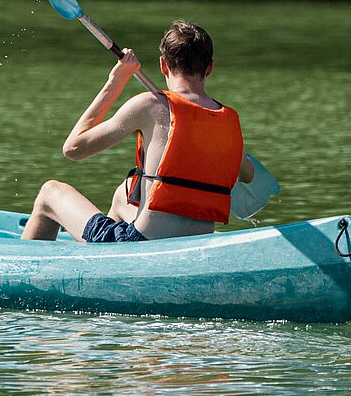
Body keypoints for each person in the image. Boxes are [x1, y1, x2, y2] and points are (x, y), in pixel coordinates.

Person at [22, 20, 256, 243]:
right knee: (123, 194)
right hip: (195, 242)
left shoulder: (150, 105)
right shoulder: (229, 119)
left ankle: (21, 273)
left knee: (49, 192)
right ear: (209, 68)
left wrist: (117, 80)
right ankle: (97, 261)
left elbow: (73, 149)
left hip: (144, 242)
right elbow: (247, 175)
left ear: (163, 64)